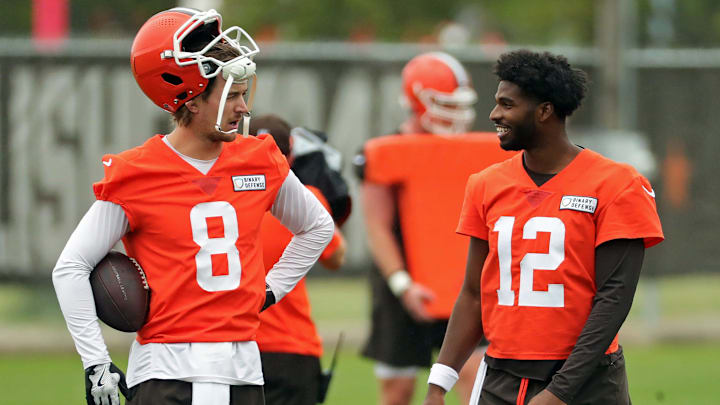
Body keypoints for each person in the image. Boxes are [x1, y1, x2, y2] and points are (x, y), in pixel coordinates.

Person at [51, 8, 333, 405]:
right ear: (190, 98)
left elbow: (317, 227)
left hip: (243, 371)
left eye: (243, 94)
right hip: (167, 372)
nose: (244, 108)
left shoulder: (260, 159)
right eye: (232, 95)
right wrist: (96, 363)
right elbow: (71, 267)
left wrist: (269, 290)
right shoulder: (138, 172)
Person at [423, 50, 664, 405]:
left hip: (586, 382)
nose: (495, 115)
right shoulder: (486, 184)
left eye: (507, 104)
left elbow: (613, 299)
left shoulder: (617, 184)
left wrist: (559, 392)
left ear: (544, 111)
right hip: (501, 377)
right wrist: (438, 383)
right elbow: (474, 292)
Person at [355, 52, 515, 405]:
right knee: (397, 391)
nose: (453, 113)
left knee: (475, 378)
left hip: (460, 283)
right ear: (417, 99)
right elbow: (377, 226)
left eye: (457, 104)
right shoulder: (387, 151)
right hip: (402, 281)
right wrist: (403, 284)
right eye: (444, 103)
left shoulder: (476, 152)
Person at [249, 114, 350, 405]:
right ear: (291, 152)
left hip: (232, 345)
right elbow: (336, 258)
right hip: (291, 348)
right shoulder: (309, 197)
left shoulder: (221, 197)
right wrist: (324, 193)